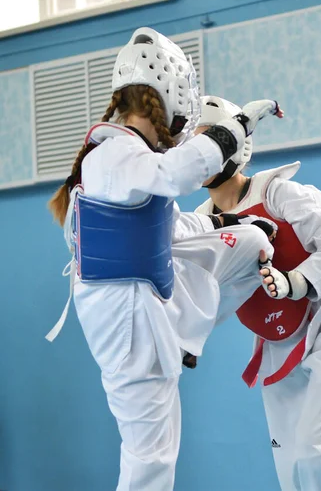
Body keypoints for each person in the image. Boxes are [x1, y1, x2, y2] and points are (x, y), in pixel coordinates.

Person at [47, 27, 282, 491]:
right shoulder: (115, 155)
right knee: (149, 457)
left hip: (141, 308)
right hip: (128, 322)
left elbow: (171, 226)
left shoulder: (125, 157)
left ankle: (185, 341)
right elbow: (174, 175)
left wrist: (229, 225)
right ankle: (183, 340)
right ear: (173, 96)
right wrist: (233, 130)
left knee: (253, 245)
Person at [194, 95, 321, 491]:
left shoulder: (281, 194)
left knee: (317, 453)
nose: (200, 152)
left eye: (209, 139)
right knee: (288, 459)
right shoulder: (199, 225)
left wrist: (294, 283)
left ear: (233, 145)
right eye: (193, 142)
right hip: (275, 341)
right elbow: (205, 294)